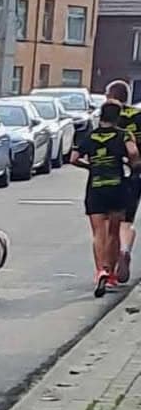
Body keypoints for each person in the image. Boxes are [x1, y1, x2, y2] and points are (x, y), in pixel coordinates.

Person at [72, 100, 139, 297]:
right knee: (114, 232)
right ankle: (110, 273)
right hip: (117, 186)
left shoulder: (90, 136)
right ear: (117, 117)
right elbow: (133, 152)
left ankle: (100, 269)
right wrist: (133, 165)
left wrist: (90, 166)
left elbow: (73, 158)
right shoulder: (124, 134)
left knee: (98, 233)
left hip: (96, 187)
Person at [104, 80, 141, 282]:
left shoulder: (111, 117)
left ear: (111, 96)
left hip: (113, 173)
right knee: (127, 221)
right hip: (136, 173)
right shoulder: (138, 115)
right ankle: (125, 250)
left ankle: (108, 265)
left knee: (111, 223)